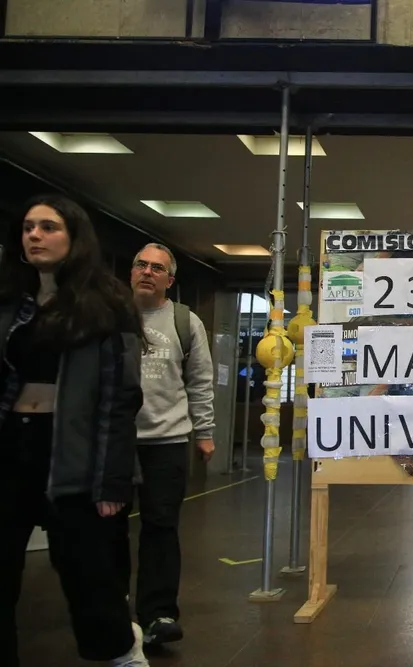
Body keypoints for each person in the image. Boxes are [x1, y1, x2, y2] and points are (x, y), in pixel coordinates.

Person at [0, 194, 149, 666]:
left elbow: (119, 398)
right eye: (28, 228)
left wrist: (112, 480)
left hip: (72, 453)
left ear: (74, 237)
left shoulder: (105, 305)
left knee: (88, 576)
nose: (35, 236)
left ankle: (123, 654)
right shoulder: (9, 303)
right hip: (11, 446)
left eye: (48, 227)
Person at [124, 242, 215, 647]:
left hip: (167, 440)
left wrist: (206, 430)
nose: (147, 271)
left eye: (156, 268)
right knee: (106, 531)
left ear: (169, 280)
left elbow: (199, 379)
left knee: (160, 528)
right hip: (115, 442)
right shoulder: (108, 316)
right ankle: (112, 608)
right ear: (131, 272)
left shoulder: (184, 321)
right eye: (140, 265)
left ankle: (158, 613)